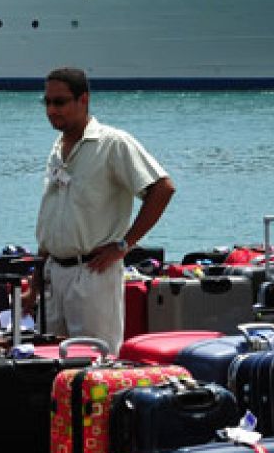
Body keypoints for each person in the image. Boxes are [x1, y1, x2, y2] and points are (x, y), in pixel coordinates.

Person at [34, 67, 174, 352]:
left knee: (96, 361)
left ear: (83, 100)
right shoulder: (58, 147)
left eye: (59, 102)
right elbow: (53, 217)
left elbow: (162, 188)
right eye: (46, 102)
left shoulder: (112, 143)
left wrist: (124, 245)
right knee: (49, 362)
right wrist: (36, 282)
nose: (51, 110)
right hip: (53, 274)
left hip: (93, 274)